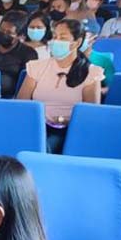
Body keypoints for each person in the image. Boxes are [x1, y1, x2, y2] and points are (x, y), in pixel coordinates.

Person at [18, 19, 104, 153]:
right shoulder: (36, 67)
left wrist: (65, 121)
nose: (56, 41)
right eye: (54, 37)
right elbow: (21, 103)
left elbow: (90, 113)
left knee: (44, 146)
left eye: (62, 38)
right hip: (35, 125)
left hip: (68, 129)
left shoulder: (91, 73)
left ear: (77, 42)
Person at [0, 11, 39, 98]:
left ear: (20, 36)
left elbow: (25, 85)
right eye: (1, 30)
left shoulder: (28, 54)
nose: (4, 34)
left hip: (9, 99)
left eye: (9, 32)